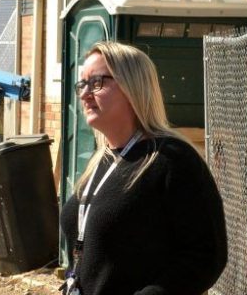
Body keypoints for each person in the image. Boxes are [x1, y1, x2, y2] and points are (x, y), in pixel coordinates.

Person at [59, 41, 227, 295]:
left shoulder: (172, 160)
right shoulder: (102, 160)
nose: (84, 94)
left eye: (97, 83)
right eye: (82, 84)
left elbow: (206, 256)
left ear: (132, 87)